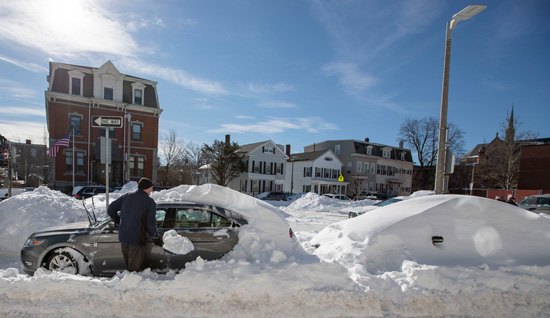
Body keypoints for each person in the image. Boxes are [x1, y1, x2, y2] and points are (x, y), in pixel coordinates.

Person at [108, 177, 161, 272]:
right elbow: (150, 223)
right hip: (136, 239)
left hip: (124, 237)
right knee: (133, 270)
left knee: (129, 266)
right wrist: (155, 236)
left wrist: (117, 220)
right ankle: (129, 286)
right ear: (147, 187)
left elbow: (111, 209)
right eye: (151, 188)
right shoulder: (149, 202)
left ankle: (127, 284)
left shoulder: (126, 196)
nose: (152, 190)